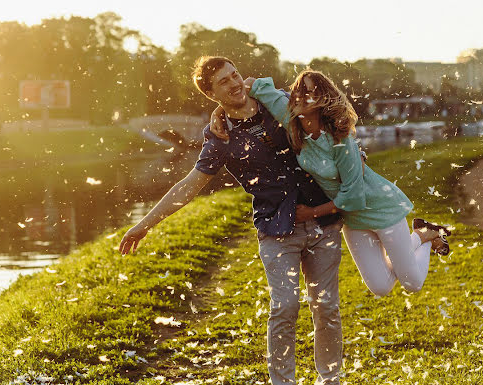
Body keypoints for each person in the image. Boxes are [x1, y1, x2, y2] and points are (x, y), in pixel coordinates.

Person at [119, 58, 344, 384]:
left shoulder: (275, 101)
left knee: (326, 308)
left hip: (324, 219)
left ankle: (331, 380)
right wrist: (144, 224)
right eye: (224, 82)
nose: (235, 84)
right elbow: (190, 185)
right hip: (276, 229)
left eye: (235, 75)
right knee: (285, 307)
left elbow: (324, 118)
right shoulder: (220, 136)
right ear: (212, 94)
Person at [211, 71, 452, 297]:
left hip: (381, 209)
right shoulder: (292, 121)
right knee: (380, 287)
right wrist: (219, 110)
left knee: (412, 283)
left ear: (323, 99)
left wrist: (312, 213)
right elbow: (252, 85)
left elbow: (354, 196)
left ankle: (424, 234)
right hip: (353, 220)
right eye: (297, 90)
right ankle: (423, 234)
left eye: (309, 92)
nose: (300, 96)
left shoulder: (341, 140)